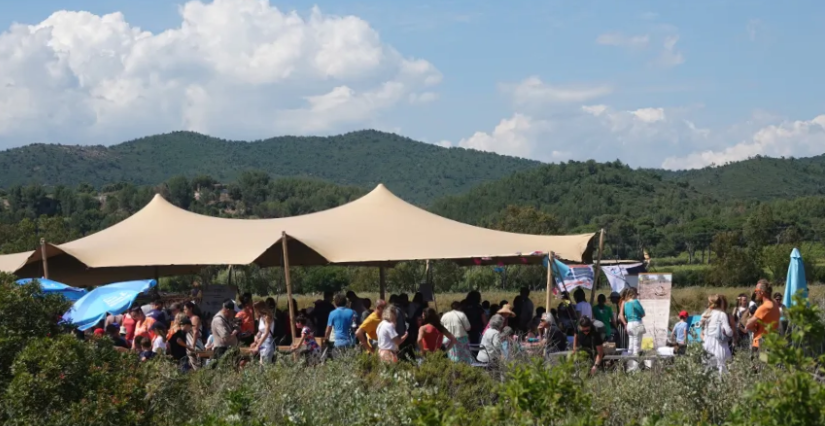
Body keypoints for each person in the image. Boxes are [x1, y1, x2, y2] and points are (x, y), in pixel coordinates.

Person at [746, 279, 780, 355]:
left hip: (760, 344)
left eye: (756, 290)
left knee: (758, 363)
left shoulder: (764, 307)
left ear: (762, 292)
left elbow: (748, 325)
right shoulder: (775, 305)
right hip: (772, 342)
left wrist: (750, 318)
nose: (755, 292)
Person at [701, 295, 733, 374]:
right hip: (719, 345)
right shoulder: (721, 314)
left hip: (707, 344)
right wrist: (731, 334)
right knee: (723, 369)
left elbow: (703, 331)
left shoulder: (705, 314)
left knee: (708, 369)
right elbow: (728, 331)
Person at [622, 287, 645, 372]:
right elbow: (642, 313)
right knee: (637, 346)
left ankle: (629, 366)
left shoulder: (626, 303)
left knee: (630, 346)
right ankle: (635, 368)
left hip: (629, 324)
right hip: (636, 323)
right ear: (633, 294)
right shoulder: (635, 302)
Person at [184, 302, 204, 370]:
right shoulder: (188, 319)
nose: (184, 311)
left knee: (198, 368)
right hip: (190, 346)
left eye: (185, 309)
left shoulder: (194, 318)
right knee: (193, 367)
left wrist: (193, 346)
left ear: (190, 309)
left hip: (196, 345)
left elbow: (195, 332)